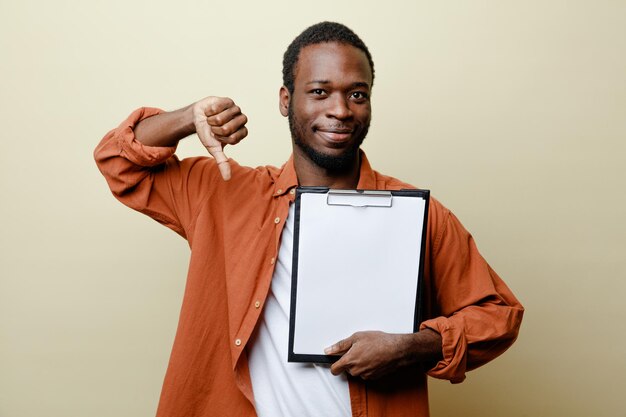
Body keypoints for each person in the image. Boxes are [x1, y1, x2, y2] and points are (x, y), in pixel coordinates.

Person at [95, 21, 523, 417]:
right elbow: (119, 161)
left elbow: (499, 314)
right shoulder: (224, 191)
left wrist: (415, 346)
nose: (340, 109)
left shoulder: (417, 213)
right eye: (320, 91)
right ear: (286, 100)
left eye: (357, 94)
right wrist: (189, 118)